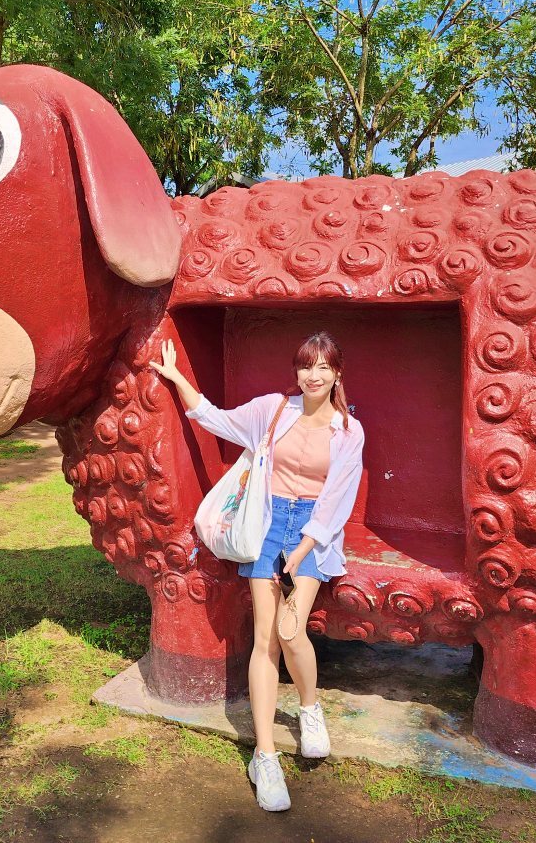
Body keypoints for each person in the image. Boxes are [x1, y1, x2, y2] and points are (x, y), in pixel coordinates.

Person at [148, 330, 365, 812]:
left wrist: (304, 545)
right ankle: (265, 755)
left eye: (324, 367)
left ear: (337, 374)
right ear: (297, 370)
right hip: (267, 524)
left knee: (292, 632)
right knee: (266, 636)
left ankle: (310, 709)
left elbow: (337, 499)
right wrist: (178, 378)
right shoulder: (273, 410)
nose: (314, 375)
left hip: (314, 530)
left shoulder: (349, 431)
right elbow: (215, 419)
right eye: (307, 365)